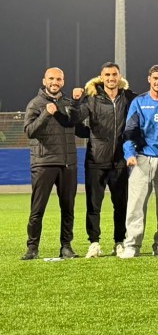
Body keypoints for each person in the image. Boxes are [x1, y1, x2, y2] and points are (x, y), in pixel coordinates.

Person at [76, 62, 138, 258]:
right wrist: (90, 133)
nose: (111, 78)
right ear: (101, 77)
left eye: (114, 74)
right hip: (95, 160)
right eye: (107, 75)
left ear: (120, 77)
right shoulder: (92, 98)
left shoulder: (128, 97)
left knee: (121, 205)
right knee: (93, 205)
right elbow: (74, 121)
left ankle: (119, 242)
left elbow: (149, 104)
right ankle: (94, 243)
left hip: (120, 161)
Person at [23, 67, 84, 260]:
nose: (55, 82)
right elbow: (29, 131)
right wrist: (45, 114)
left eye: (58, 79)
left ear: (63, 82)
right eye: (51, 78)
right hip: (43, 163)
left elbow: (79, 128)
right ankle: (32, 248)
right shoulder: (35, 104)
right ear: (44, 81)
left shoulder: (67, 103)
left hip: (68, 164)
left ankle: (66, 247)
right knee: (37, 209)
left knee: (68, 209)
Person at [122, 64, 158, 258]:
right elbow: (130, 130)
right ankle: (132, 245)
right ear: (149, 79)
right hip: (142, 158)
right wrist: (129, 154)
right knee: (136, 204)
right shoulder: (139, 102)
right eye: (155, 78)